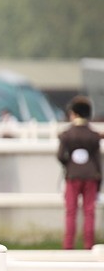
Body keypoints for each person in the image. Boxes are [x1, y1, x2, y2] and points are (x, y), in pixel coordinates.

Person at [57, 95, 101, 250]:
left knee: (71, 211)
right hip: (91, 175)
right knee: (89, 211)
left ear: (73, 113)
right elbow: (97, 159)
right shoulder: (93, 135)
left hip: (73, 175)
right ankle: (89, 245)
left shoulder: (67, 134)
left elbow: (61, 156)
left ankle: (68, 246)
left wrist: (68, 164)